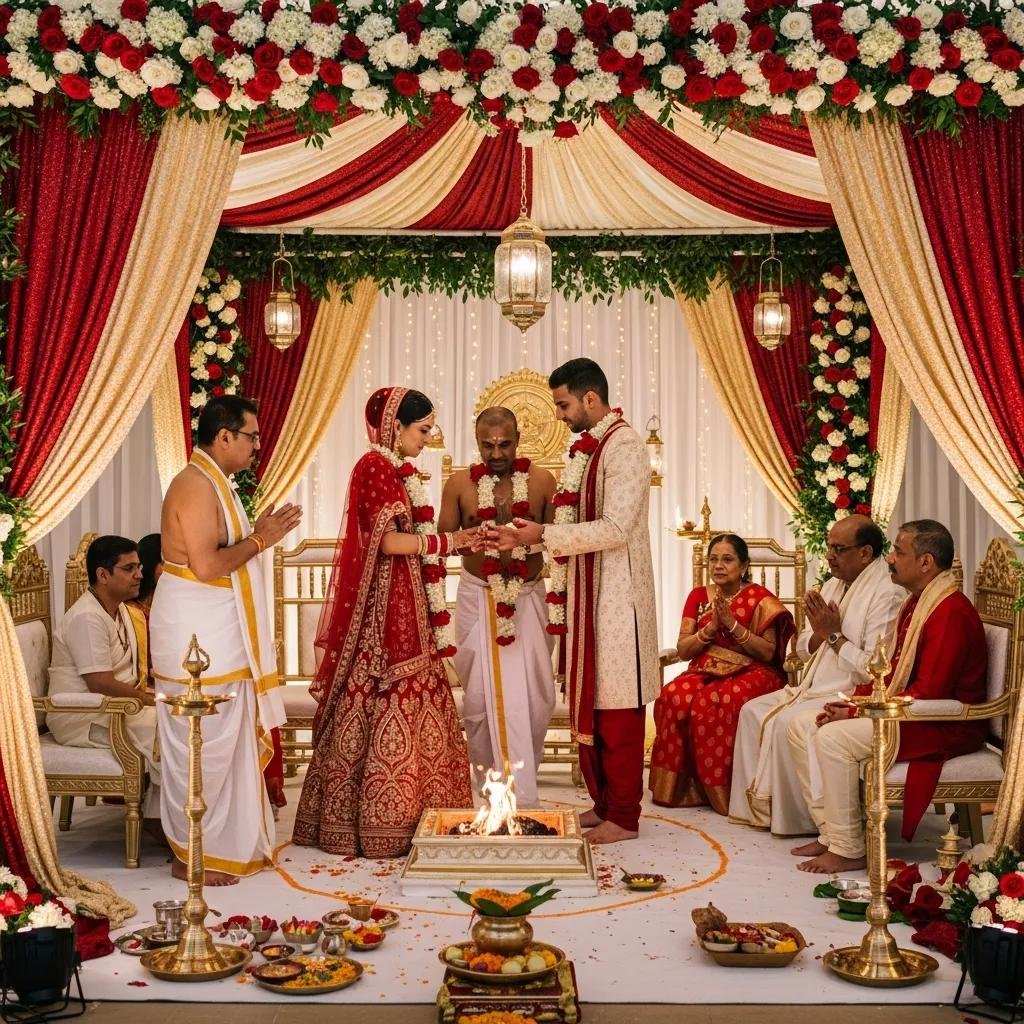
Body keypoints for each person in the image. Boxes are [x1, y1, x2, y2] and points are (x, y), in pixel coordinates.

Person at [293, 387, 479, 858]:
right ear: (394, 426)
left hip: (407, 602)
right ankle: (382, 821)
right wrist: (452, 543)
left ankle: (421, 814)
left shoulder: (396, 469)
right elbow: (391, 544)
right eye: (423, 429)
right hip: (385, 613)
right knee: (387, 692)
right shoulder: (374, 466)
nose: (429, 438)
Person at [489, 359, 659, 845]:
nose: (560, 415)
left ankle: (624, 816)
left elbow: (617, 527)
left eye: (564, 404)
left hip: (617, 600)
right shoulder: (591, 448)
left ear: (590, 399)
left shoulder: (623, 445)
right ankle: (605, 803)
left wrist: (545, 535)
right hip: (591, 594)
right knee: (597, 703)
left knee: (618, 709)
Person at [152, 395, 301, 886]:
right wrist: (262, 539)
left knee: (227, 737)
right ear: (224, 437)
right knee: (202, 742)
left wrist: (260, 534)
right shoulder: (195, 486)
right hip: (197, 635)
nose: (258, 446)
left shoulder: (220, 483)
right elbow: (208, 566)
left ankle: (224, 845)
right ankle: (190, 854)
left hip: (217, 631)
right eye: (253, 437)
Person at [789, 519, 988, 874]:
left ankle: (849, 848)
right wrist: (854, 703)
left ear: (925, 563)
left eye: (898, 551)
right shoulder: (920, 602)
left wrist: (856, 713)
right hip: (916, 711)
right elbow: (892, 672)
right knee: (804, 723)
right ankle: (832, 833)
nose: (891, 559)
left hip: (944, 723)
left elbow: (929, 693)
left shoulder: (949, 612)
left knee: (833, 737)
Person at [728, 515, 904, 834]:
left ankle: (805, 821)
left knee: (784, 723)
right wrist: (822, 635)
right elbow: (801, 649)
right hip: (811, 686)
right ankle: (762, 813)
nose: (828, 555)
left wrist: (834, 637)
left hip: (849, 694)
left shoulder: (886, 593)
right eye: (828, 546)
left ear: (865, 553)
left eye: (838, 548)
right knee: (751, 711)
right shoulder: (833, 583)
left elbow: (876, 670)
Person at [440, 407, 557, 808]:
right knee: (477, 701)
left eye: (504, 444)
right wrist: (468, 538)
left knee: (535, 699)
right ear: (476, 443)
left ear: (518, 440)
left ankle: (523, 789)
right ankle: (489, 793)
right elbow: (442, 540)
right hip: (477, 596)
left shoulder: (542, 482)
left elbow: (560, 538)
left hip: (528, 597)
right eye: (487, 445)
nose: (495, 453)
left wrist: (525, 540)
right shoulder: (458, 484)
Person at [648, 534, 795, 815]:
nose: (718, 565)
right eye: (713, 559)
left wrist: (732, 625)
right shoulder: (699, 597)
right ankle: (679, 790)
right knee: (673, 696)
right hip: (705, 668)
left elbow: (767, 652)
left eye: (727, 559)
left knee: (714, 702)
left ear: (744, 565)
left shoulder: (761, 599)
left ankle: (725, 791)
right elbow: (684, 649)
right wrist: (711, 629)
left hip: (755, 670)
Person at [47, 535, 160, 819]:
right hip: (83, 715)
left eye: (139, 567)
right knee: (172, 731)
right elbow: (100, 683)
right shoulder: (87, 617)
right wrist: (149, 700)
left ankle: (166, 815)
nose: (139, 575)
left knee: (181, 722)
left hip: (116, 708)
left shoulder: (119, 607)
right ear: (103, 575)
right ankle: (160, 820)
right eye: (129, 568)